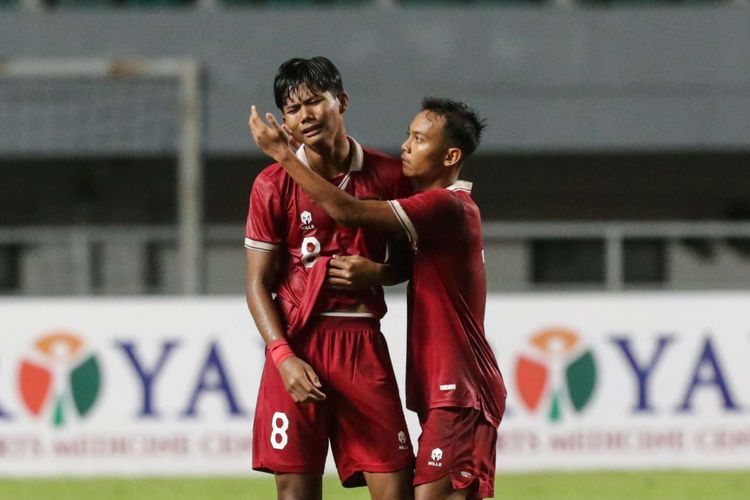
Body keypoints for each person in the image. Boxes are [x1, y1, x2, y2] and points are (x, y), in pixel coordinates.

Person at [249, 97, 507, 500]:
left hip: (461, 390)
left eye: (419, 139)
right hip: (443, 389)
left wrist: (283, 153)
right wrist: (381, 272)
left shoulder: (446, 205)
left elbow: (347, 211)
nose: (405, 145)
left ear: (450, 155)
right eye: (408, 135)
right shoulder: (429, 210)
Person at [244, 57, 414, 500]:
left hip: (361, 344)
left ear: (341, 101)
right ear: (285, 121)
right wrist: (283, 358)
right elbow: (256, 283)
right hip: (299, 345)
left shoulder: (389, 175)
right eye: (293, 109)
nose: (306, 115)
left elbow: (410, 263)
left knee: (394, 488)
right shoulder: (271, 184)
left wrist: (377, 272)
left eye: (315, 101)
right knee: (295, 494)